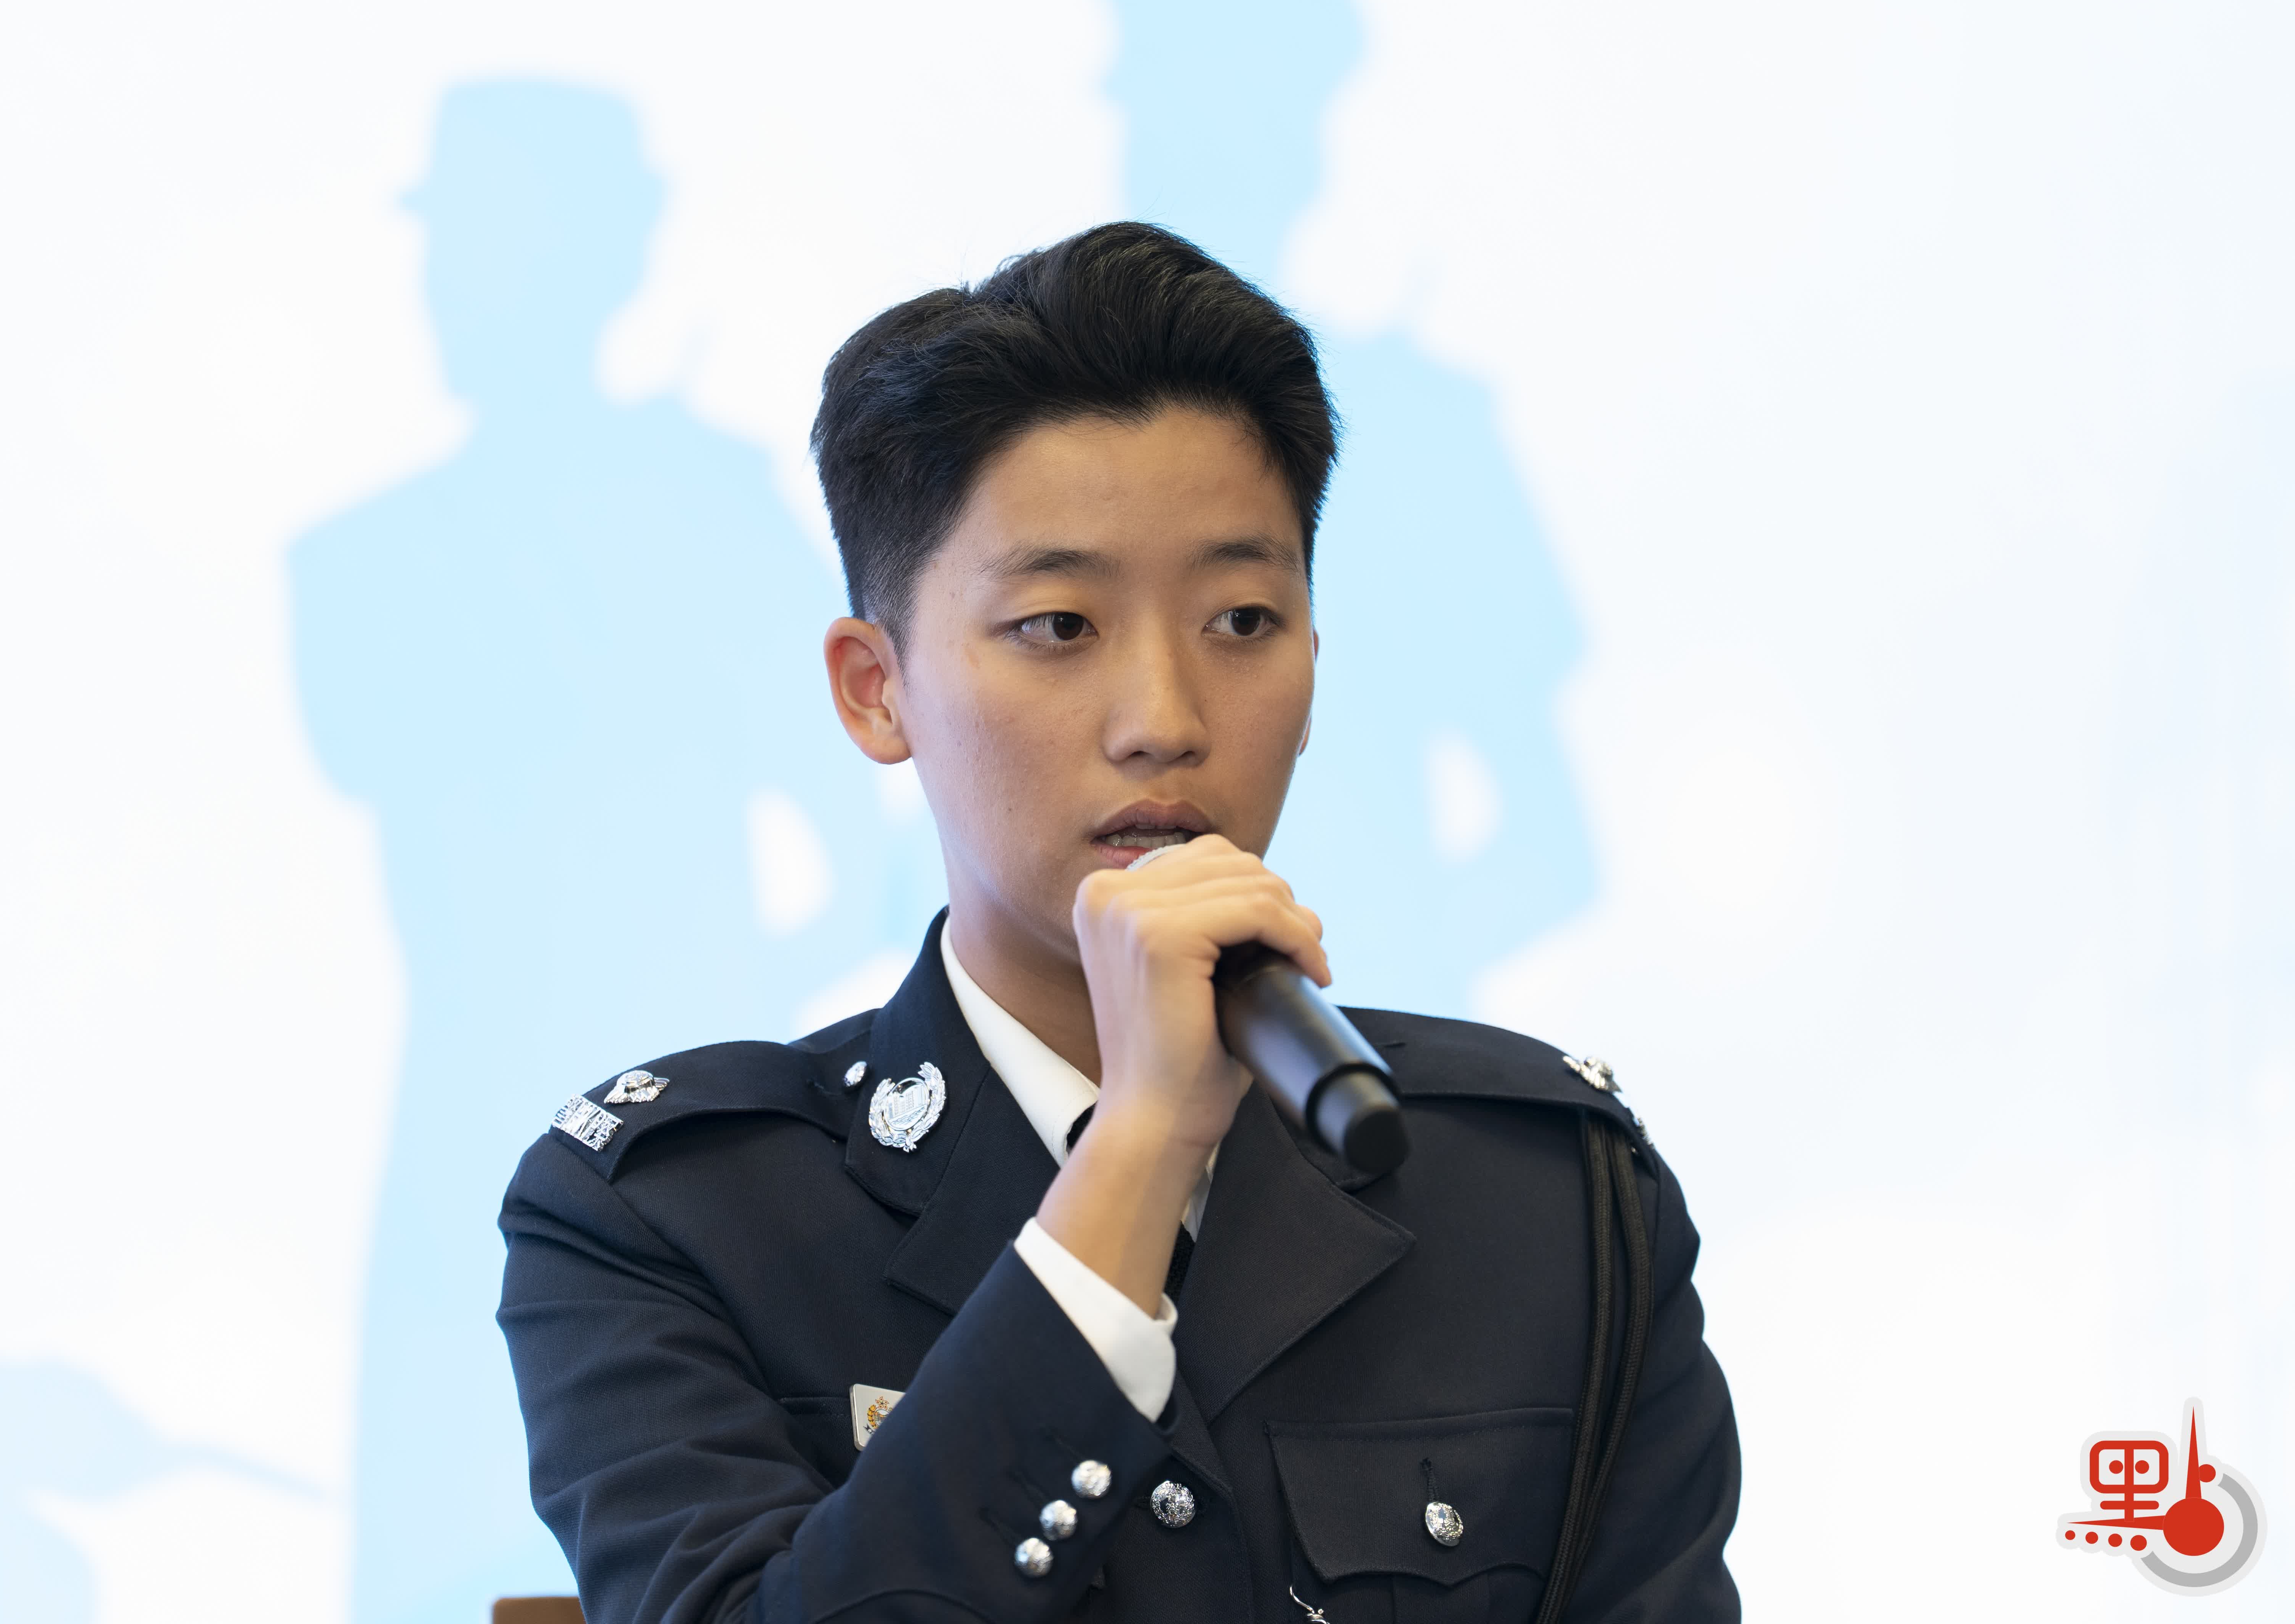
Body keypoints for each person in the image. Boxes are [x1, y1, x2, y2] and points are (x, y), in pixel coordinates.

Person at [498, 223, 1741, 1622]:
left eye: (1243, 620)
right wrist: (1140, 1151)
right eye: (1059, 626)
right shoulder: (669, 1217)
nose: (1164, 720)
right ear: (875, 690)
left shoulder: (1550, 1194)